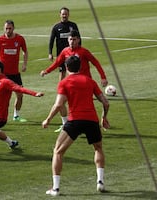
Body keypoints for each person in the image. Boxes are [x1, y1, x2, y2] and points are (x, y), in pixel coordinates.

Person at [42, 56, 109, 196]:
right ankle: (100, 182)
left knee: (58, 151)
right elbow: (105, 102)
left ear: (67, 67)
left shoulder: (64, 82)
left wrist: (48, 119)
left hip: (75, 120)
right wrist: (104, 117)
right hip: (92, 120)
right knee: (98, 148)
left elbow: (59, 104)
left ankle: (56, 188)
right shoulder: (90, 81)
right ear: (80, 67)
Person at [48, 7, 81, 133]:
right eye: (63, 14)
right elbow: (51, 40)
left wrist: (78, 51)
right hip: (62, 54)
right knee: (62, 73)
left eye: (66, 14)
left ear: (68, 15)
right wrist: (50, 53)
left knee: (73, 72)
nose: (64, 16)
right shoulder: (56, 27)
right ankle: (62, 90)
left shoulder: (73, 26)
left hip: (72, 55)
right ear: (60, 15)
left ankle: (68, 89)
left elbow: (79, 38)